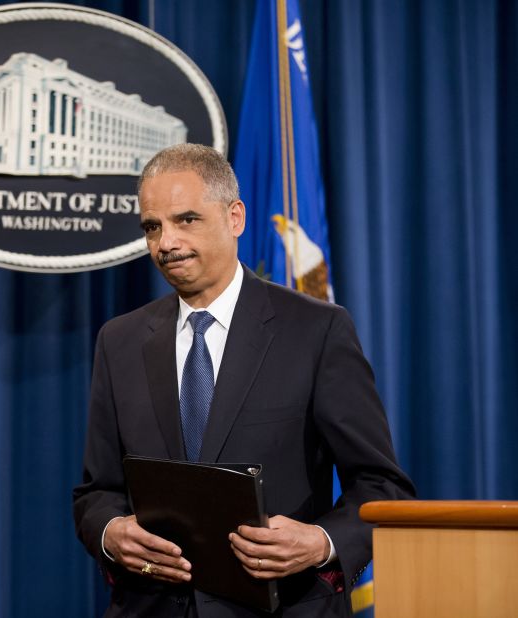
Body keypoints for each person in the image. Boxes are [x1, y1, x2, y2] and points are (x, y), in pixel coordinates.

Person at [73, 144, 414, 617]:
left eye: (185, 219)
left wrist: (321, 542)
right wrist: (112, 533)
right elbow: (97, 492)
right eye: (152, 227)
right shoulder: (120, 340)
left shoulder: (317, 330)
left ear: (235, 217)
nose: (165, 243)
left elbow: (382, 488)